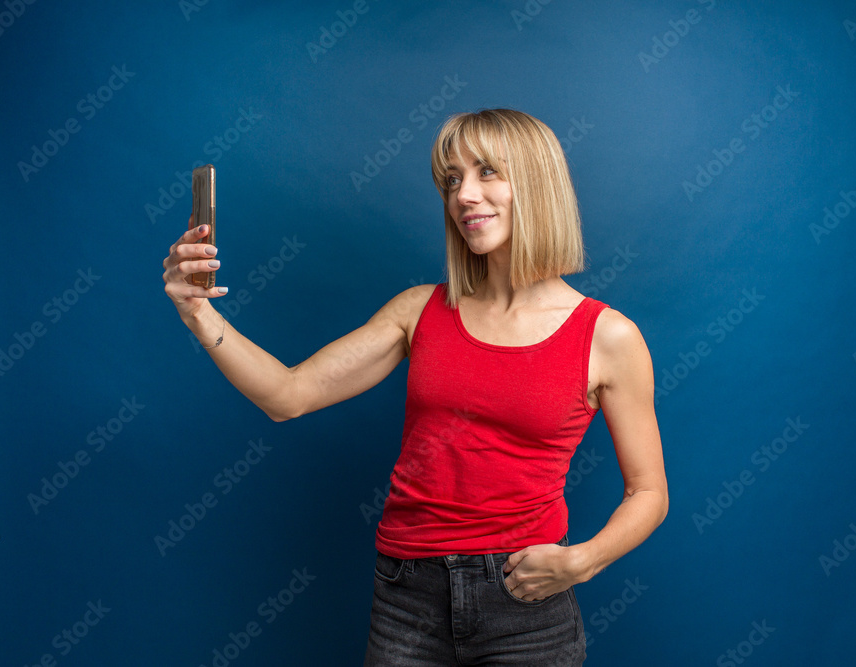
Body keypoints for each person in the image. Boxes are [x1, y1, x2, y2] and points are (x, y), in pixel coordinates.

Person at [162, 108, 667, 665]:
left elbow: (649, 493)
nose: (464, 196)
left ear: (538, 182)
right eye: (452, 180)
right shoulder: (419, 310)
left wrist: (584, 561)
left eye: (487, 172)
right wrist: (198, 316)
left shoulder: (608, 336)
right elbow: (288, 395)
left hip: (525, 603)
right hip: (407, 598)